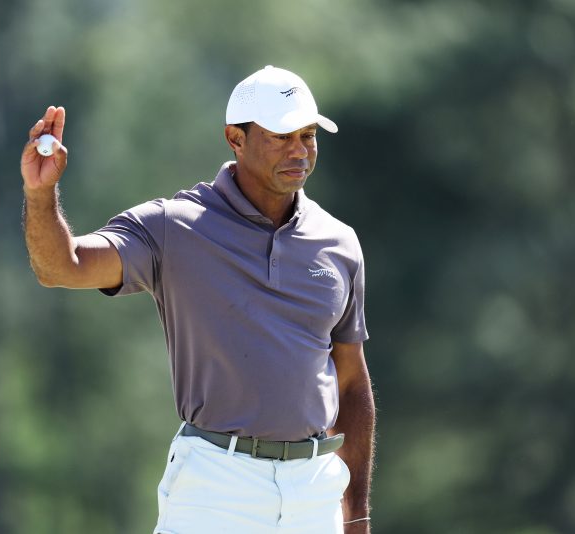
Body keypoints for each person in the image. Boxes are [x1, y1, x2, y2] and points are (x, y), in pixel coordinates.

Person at [20, 65, 375, 534]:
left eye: (308, 135)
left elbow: (351, 384)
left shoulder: (338, 242)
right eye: (281, 136)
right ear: (235, 138)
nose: (299, 151)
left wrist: (357, 514)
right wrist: (40, 194)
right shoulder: (173, 226)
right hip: (215, 485)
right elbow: (60, 266)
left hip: (313, 490)